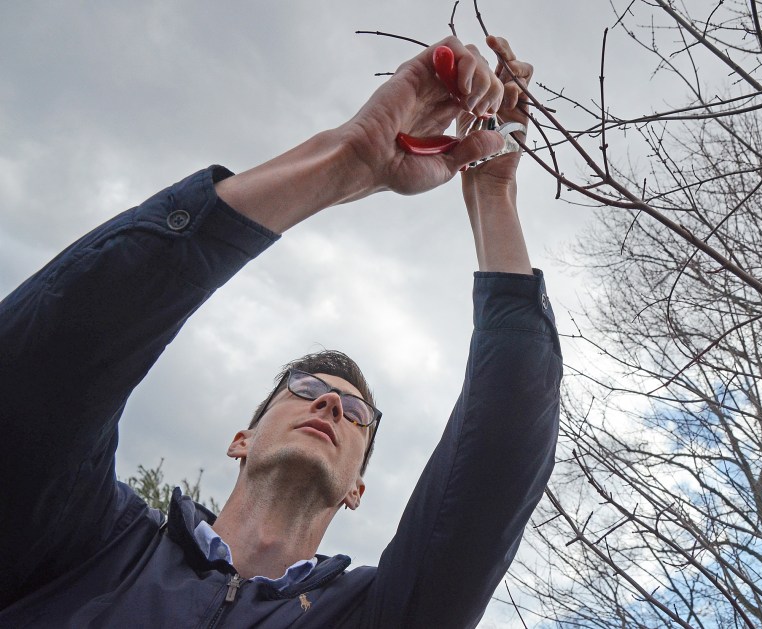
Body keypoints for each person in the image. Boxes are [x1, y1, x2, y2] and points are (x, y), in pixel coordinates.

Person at [0, 33, 561, 628]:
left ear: (356, 490)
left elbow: (500, 449)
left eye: (356, 413)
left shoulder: (375, 616)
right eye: (303, 387)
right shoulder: (88, 546)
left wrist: (493, 192)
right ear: (242, 439)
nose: (330, 404)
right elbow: (52, 362)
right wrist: (344, 160)